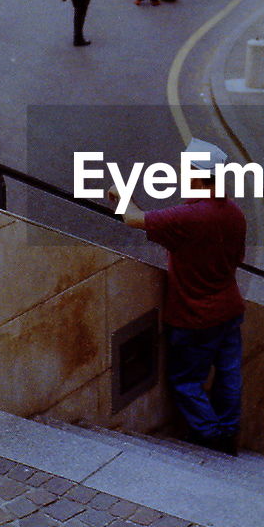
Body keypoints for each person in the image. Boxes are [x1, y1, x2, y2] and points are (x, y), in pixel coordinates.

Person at [108, 139, 246, 453]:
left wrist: (121, 195)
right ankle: (228, 431)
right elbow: (236, 257)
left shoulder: (190, 217)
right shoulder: (234, 214)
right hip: (230, 308)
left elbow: (133, 219)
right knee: (228, 375)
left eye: (185, 170)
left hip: (194, 317)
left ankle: (209, 436)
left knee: (186, 380)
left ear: (197, 175)